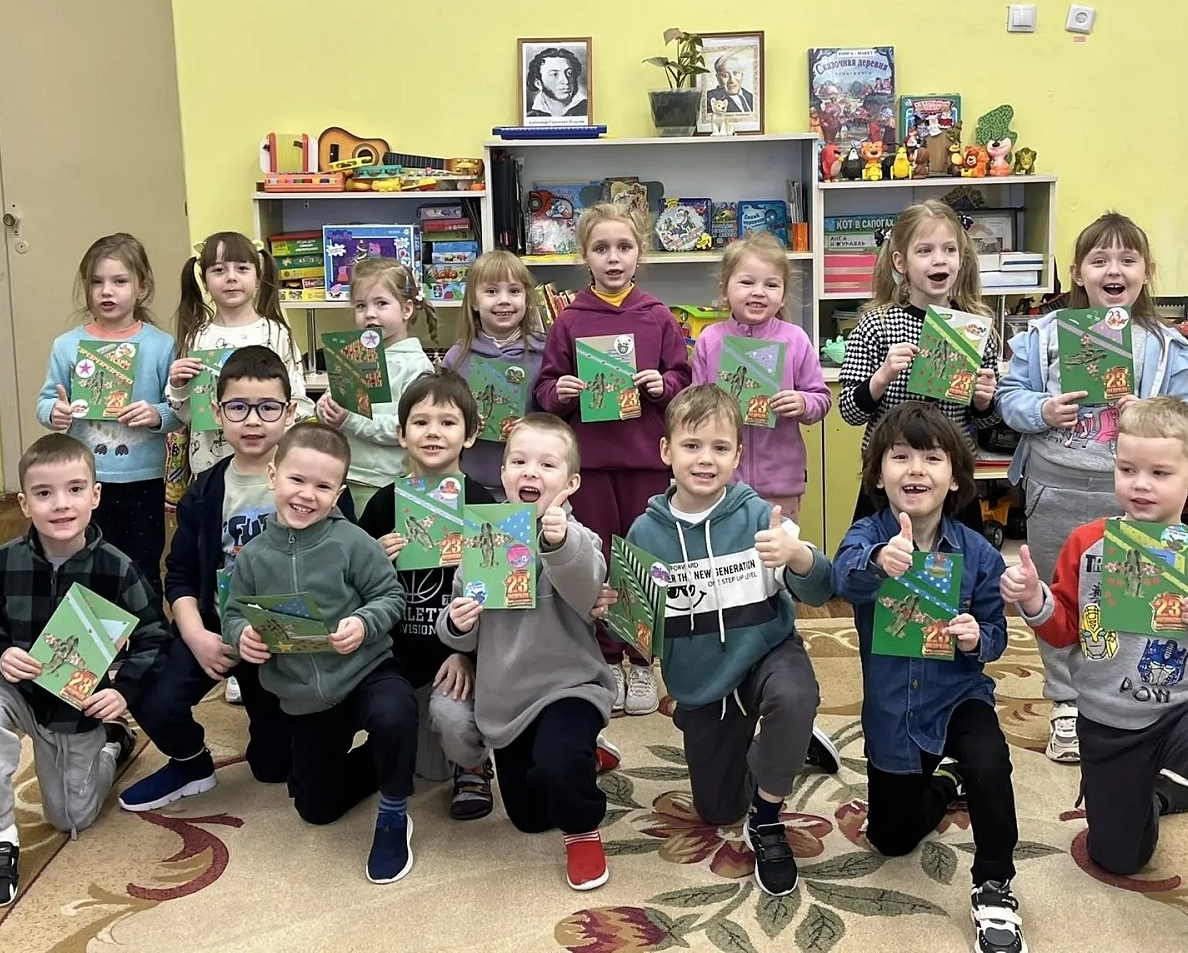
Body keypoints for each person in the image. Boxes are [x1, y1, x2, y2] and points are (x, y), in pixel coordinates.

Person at [1001, 396, 1188, 953]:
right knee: (1117, 856)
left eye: (1160, 473)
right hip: (1107, 717)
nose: (1141, 484)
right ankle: (1160, 795)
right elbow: (1065, 628)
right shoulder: (1087, 544)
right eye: (1127, 469)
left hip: (1185, 710)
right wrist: (1033, 600)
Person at [996, 211, 1188, 764]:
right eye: (1099, 260)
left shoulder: (1164, 346)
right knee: (1057, 595)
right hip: (1055, 486)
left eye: (1127, 259)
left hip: (1136, 496)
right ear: (1077, 272)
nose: (1114, 270)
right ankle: (1068, 703)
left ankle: (1135, 698)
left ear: (1147, 271)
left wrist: (1153, 412)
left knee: (1137, 595)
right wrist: (1042, 409)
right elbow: (1008, 399)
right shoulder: (1044, 336)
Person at [624, 385, 834, 897]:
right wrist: (613, 608)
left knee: (794, 695)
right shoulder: (644, 534)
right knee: (718, 810)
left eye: (720, 447)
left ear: (738, 456)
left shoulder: (762, 516)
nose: (705, 459)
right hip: (702, 682)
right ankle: (791, 741)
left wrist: (798, 556)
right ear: (666, 451)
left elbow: (822, 587)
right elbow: (639, 632)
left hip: (766, 652)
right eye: (692, 445)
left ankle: (767, 816)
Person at [833, 402, 1025, 953]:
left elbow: (996, 635)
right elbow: (843, 579)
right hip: (893, 710)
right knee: (891, 840)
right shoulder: (865, 536)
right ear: (878, 476)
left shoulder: (978, 553)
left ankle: (995, 884)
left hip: (958, 694)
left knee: (989, 762)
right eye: (900, 457)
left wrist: (976, 637)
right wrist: (879, 561)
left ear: (955, 479)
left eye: (932, 458)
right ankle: (945, 784)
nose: (916, 469)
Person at [0, 433, 168, 908]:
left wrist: (124, 692)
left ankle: (113, 743)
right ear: (24, 503)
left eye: (75, 489)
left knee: (71, 817)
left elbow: (156, 637)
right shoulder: (1, 562)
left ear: (95, 495)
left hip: (77, 704)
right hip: (16, 688)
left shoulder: (118, 569)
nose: (61, 504)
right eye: (44, 493)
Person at [221, 422, 418, 884]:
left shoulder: (353, 542)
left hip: (366, 671)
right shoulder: (252, 556)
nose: (307, 495)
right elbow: (232, 611)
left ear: (339, 493)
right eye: (297, 479)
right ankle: (382, 761)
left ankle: (394, 812)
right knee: (316, 808)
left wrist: (363, 623)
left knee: (394, 711)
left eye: (323, 486)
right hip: (303, 696)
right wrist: (241, 635)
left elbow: (391, 596)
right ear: (273, 475)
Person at [437, 414, 616, 890]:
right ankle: (584, 756)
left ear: (571, 483)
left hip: (570, 686)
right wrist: (457, 622)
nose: (530, 471)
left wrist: (559, 542)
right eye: (518, 461)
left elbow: (588, 590)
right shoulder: (484, 538)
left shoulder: (580, 538)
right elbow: (461, 633)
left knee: (561, 768)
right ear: (502, 473)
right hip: (508, 697)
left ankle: (583, 830)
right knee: (530, 818)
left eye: (547, 464)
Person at [118, 345, 296, 811]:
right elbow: (178, 573)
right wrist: (196, 636)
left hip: (282, 637)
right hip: (217, 627)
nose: (252, 420)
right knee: (149, 690)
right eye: (238, 407)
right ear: (217, 413)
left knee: (274, 767)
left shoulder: (307, 482)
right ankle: (190, 761)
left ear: (289, 412)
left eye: (268, 407)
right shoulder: (205, 490)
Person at [533, 202, 691, 717]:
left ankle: (642, 660)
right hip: (592, 466)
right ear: (585, 256)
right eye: (601, 248)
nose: (613, 257)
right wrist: (561, 392)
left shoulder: (658, 316)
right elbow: (544, 388)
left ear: (640, 253)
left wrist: (662, 384)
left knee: (642, 562)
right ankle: (605, 659)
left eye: (624, 247)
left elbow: (683, 379)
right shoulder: (569, 319)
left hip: (646, 461)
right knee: (597, 560)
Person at [356, 371, 497, 819]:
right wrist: (375, 558)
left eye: (447, 422)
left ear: (470, 435)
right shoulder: (383, 504)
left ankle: (474, 764)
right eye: (420, 422)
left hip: (458, 659)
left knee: (453, 727)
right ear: (402, 434)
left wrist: (467, 654)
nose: (433, 432)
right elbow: (354, 588)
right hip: (398, 656)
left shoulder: (485, 506)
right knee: (423, 767)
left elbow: (498, 600)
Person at [837, 202, 1000, 524]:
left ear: (962, 258)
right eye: (925, 250)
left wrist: (984, 402)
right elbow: (849, 411)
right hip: (890, 476)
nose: (939, 259)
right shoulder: (877, 325)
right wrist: (882, 376)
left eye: (949, 250)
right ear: (901, 262)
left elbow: (985, 421)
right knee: (881, 553)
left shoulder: (975, 328)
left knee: (954, 554)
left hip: (950, 476)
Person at [36, 232, 181, 588]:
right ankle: (86, 622)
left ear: (141, 288)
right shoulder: (67, 345)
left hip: (143, 480)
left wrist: (157, 415)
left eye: (119, 281)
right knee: (85, 566)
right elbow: (45, 401)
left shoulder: (161, 345)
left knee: (142, 568)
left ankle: (144, 623)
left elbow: (179, 409)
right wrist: (56, 413)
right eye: (97, 282)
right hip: (82, 480)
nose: (106, 291)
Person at [690, 232, 831, 521]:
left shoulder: (796, 340)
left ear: (783, 295)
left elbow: (821, 398)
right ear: (725, 290)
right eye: (746, 282)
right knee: (725, 548)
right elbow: (694, 404)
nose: (759, 292)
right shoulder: (709, 340)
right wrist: (710, 407)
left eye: (771, 284)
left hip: (780, 483)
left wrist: (803, 402)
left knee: (776, 547)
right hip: (721, 482)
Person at [167, 230, 313, 479]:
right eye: (219, 270)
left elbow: (299, 401)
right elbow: (189, 415)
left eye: (242, 268)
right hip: (209, 468)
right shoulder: (196, 337)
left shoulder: (276, 333)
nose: (231, 277)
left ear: (257, 279)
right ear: (204, 281)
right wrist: (178, 387)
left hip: (268, 467)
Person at [316, 257, 436, 513]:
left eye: (381, 303)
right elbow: (334, 403)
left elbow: (407, 428)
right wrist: (325, 408)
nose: (370, 313)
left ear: (406, 310)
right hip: (340, 474)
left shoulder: (416, 366)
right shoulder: (355, 353)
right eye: (361, 305)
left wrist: (350, 420)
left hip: (381, 481)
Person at [441, 249, 546, 499]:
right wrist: (464, 421)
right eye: (491, 291)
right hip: (470, 485)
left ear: (527, 298)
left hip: (530, 486)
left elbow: (558, 419)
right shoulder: (456, 359)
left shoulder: (545, 355)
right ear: (474, 301)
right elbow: (441, 419)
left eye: (514, 291)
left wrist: (531, 426)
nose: (504, 300)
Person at [525, 46, 588, 119]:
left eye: (569, 73)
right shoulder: (531, 117)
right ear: (538, 84)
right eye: (554, 74)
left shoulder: (587, 110)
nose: (565, 81)